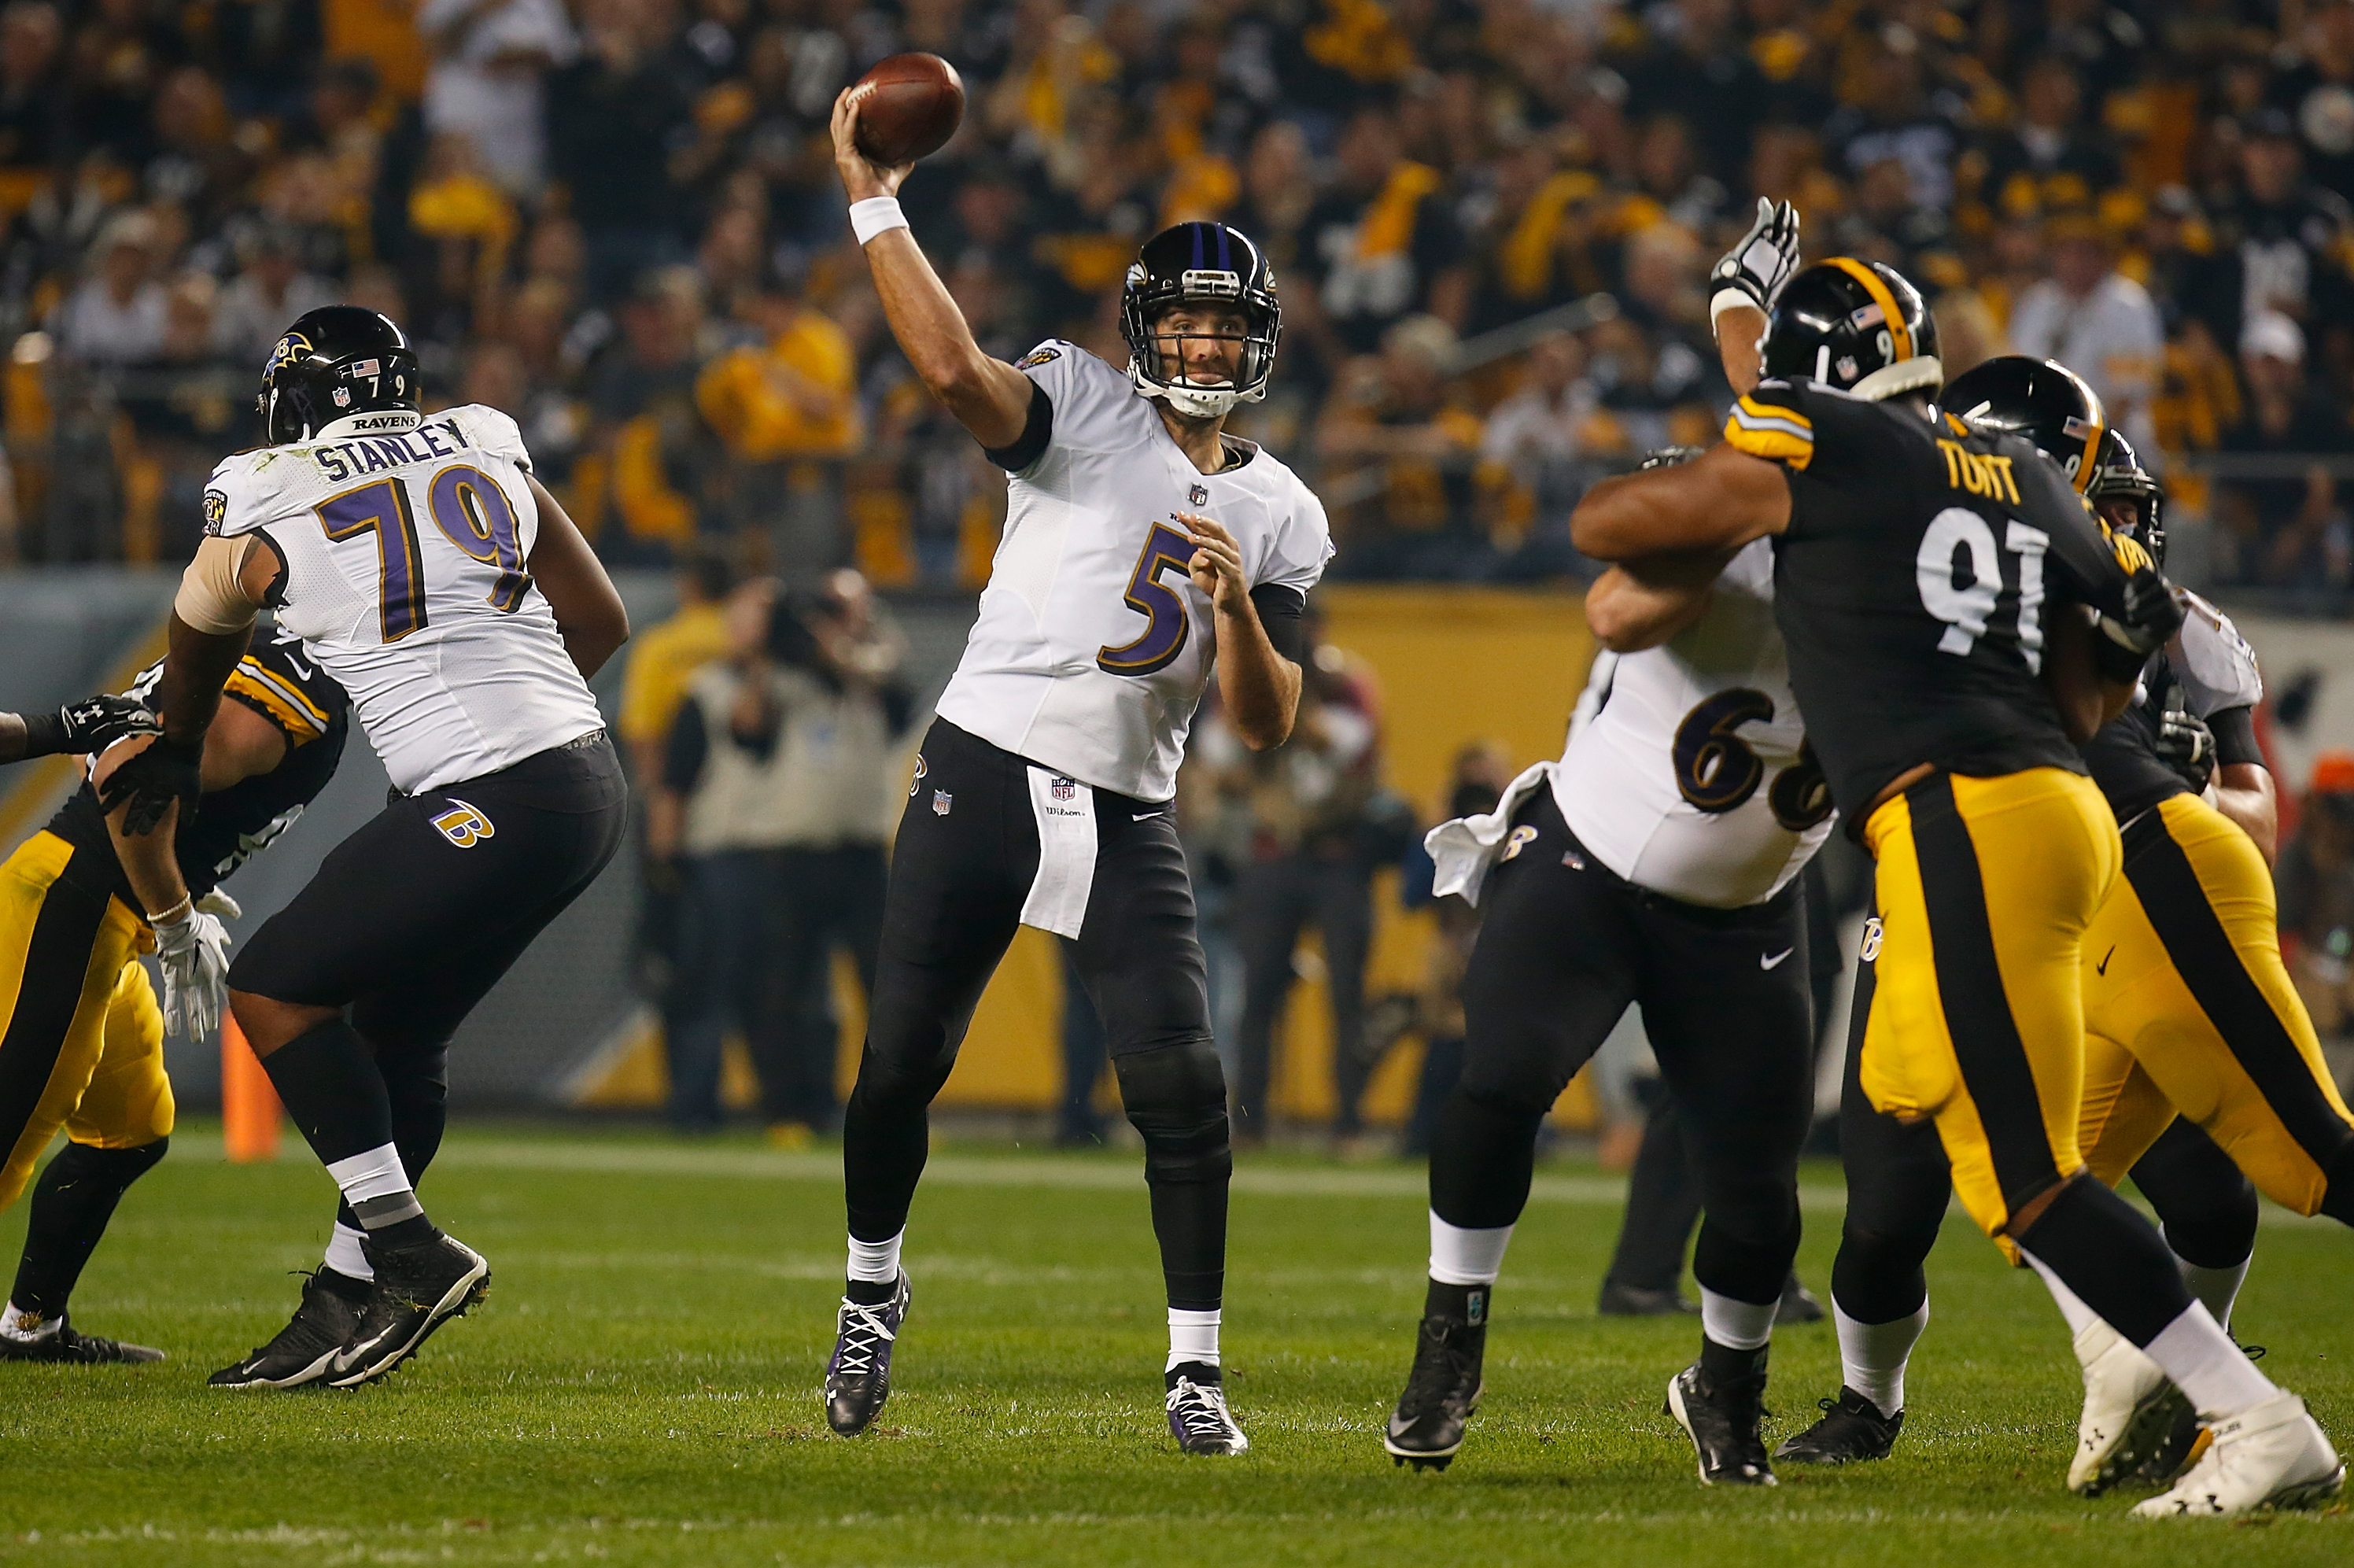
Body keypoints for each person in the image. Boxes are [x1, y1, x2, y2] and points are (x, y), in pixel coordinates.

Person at [1570, 256, 2341, 1518]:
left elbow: (1636, 523)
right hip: (2050, 814)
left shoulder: (1844, 447)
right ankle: (2122, 1358)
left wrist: (1698, 445)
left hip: (1968, 817)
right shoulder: (2025, 482)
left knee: (2044, 1177)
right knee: (1917, 1106)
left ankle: (2253, 1417)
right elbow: (2091, 690)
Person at [823, 88, 1330, 1456]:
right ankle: (871, 1287)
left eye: (1227, 325)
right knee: (899, 1067)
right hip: (981, 768)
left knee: (1180, 1078)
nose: (1207, 344)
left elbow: (1268, 722)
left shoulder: (1282, 509)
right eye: (1187, 322)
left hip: (1126, 806)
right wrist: (876, 197)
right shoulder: (1082, 404)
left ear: (1261, 340)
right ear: (1141, 334)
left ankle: (1195, 1369)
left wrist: (1234, 608)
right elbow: (948, 374)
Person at [1777, 358, 2354, 1497]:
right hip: (2000, 888)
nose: (2122, 520)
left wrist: (2175, 754)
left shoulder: (2113, 591)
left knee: (2299, 1158)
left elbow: (2221, 795)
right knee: (2011, 1180)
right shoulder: (1938, 565)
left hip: (2131, 871)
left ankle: (2216, 1399)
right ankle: (2149, 1377)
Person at [1383, 200, 1835, 1485]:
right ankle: (1450, 1329)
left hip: (1749, 906)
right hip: (1585, 858)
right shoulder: (1736, 499)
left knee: (1755, 1191)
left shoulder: (1911, 569)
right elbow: (1613, 600)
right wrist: (1740, 519)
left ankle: (1729, 1385)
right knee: (1501, 1077)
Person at [103, 305, 631, 1391]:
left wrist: (180, 738)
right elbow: (604, 619)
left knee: (275, 988)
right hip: (583, 780)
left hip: (501, 790)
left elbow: (199, 638)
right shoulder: (483, 440)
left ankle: (406, 1246)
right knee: (403, 1029)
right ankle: (344, 1301)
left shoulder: (264, 488)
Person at [0, 686, 212, 1362]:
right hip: (60, 904)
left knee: (130, 1129)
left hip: (112, 923)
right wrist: (56, 725)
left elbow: (112, 746)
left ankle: (31, 1326)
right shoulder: (291, 677)